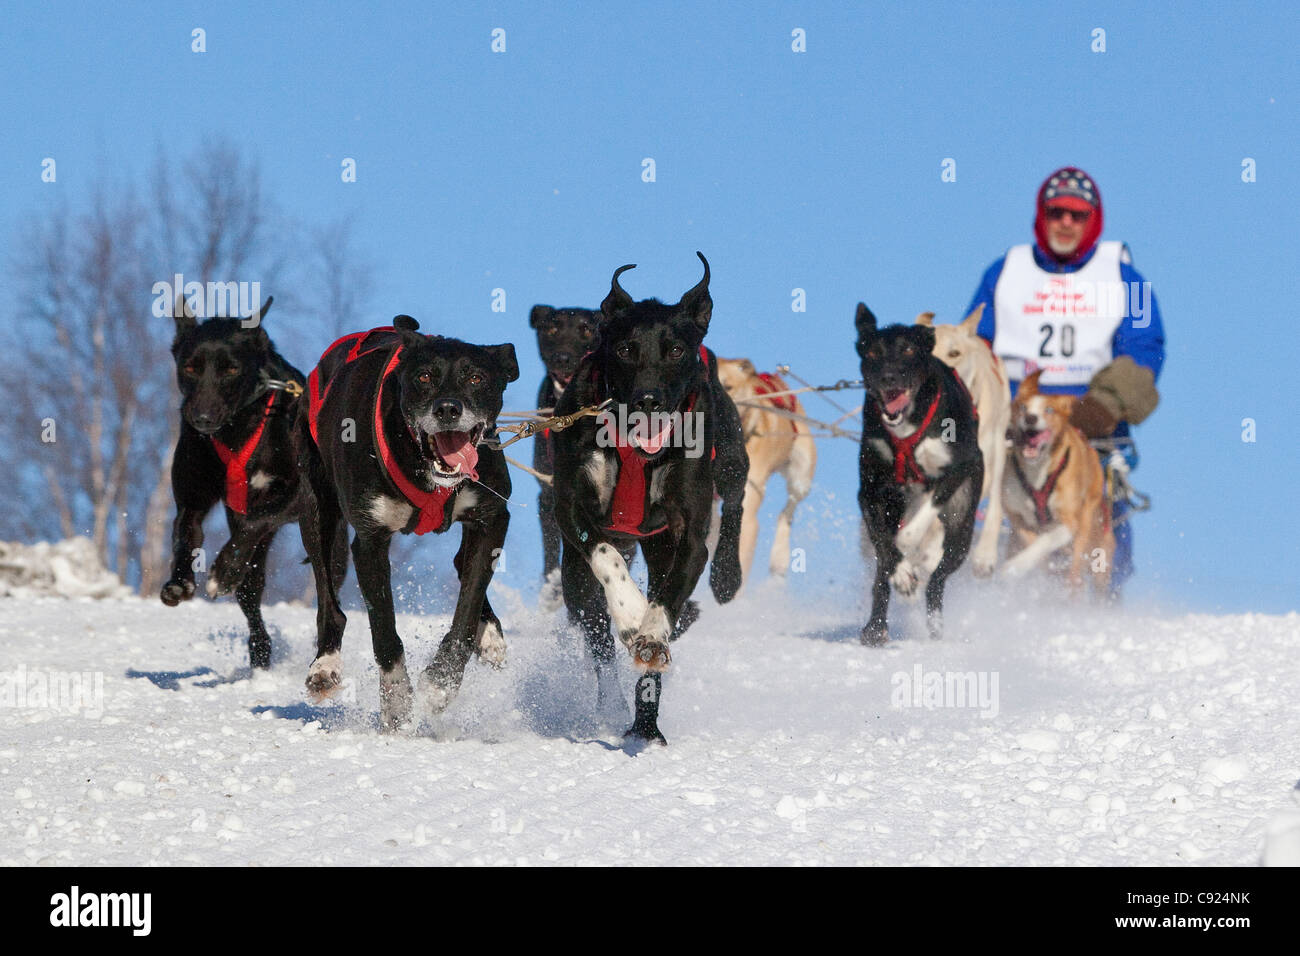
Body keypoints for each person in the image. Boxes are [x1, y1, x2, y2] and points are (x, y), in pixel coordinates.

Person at [966, 166, 1165, 596]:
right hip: (1013, 417)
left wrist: (1108, 404)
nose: (1066, 223)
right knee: (983, 506)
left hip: (1091, 420)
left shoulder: (1126, 280)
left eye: (1078, 215)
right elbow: (975, 342)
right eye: (1056, 212)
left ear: (1093, 219)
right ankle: (983, 605)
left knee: (1099, 522)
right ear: (1041, 214)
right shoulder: (1003, 273)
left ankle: (1101, 601)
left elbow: (1146, 346)